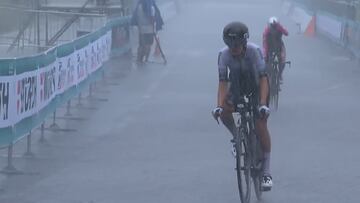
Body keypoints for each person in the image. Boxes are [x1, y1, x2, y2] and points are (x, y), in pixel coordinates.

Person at [212, 22, 273, 190]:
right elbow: (223, 83)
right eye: (229, 45)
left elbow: (263, 79)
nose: (233, 49)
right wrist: (219, 106)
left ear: (244, 43)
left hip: (257, 88)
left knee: (260, 125)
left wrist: (262, 104)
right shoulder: (223, 55)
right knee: (225, 112)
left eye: (237, 45)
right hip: (237, 89)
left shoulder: (255, 51)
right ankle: (237, 136)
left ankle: (266, 172)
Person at [131, 0, 164, 64]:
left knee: (141, 45)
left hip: (141, 30)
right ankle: (145, 59)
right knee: (148, 44)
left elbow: (137, 18)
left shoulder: (139, 6)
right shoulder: (150, 6)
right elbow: (153, 17)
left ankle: (139, 59)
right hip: (149, 29)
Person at [263, 17, 288, 82]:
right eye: (272, 25)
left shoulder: (279, 27)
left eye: (275, 25)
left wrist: (281, 28)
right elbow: (265, 40)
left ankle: (279, 74)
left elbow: (286, 33)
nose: (273, 26)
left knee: (282, 60)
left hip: (279, 46)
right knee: (266, 60)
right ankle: (269, 75)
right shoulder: (267, 29)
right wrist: (265, 55)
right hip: (269, 46)